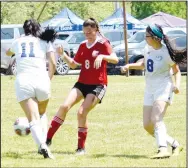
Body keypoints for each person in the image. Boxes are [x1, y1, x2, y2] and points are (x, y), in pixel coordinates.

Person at [46, 17, 119, 155]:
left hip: (98, 85)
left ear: (96, 30)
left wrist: (102, 56)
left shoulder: (103, 43)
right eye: (85, 33)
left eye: (90, 32)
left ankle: (81, 148)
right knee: (64, 107)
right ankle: (47, 139)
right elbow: (74, 64)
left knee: (81, 112)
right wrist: (63, 55)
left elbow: (115, 59)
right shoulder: (83, 45)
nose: (87, 35)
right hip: (81, 83)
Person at [121, 24, 186, 159]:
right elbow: (143, 64)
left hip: (164, 88)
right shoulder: (147, 49)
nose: (145, 38)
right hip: (150, 89)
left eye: (147, 36)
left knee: (156, 119)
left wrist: (177, 85)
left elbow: (176, 71)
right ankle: (174, 144)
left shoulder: (165, 53)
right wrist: (129, 65)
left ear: (155, 38)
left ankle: (162, 149)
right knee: (147, 125)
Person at [6, 19, 57, 159]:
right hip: (42, 80)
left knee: (33, 119)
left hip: (24, 81)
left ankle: (42, 146)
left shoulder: (17, 41)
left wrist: (17, 43)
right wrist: (49, 78)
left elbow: (7, 53)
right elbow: (53, 62)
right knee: (42, 113)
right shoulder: (45, 42)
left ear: (24, 29)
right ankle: (44, 141)